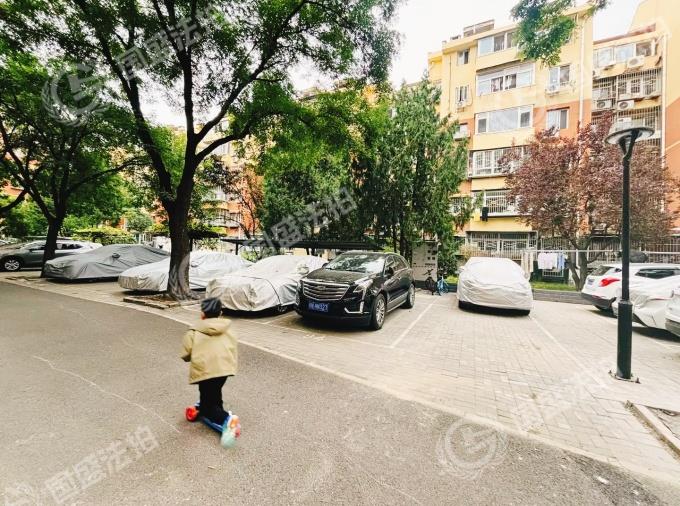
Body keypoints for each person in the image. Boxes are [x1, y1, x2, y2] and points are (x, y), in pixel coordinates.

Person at [180, 297, 240, 446]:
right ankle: (217, 408)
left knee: (207, 400)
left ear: (202, 314)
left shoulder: (193, 331)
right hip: (224, 369)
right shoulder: (228, 328)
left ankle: (226, 419)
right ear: (220, 313)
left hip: (205, 370)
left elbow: (186, 354)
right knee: (215, 391)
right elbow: (233, 346)